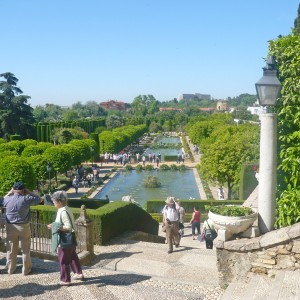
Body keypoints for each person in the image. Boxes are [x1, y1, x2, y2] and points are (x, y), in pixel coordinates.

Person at [3, 182, 41, 275]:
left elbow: (2, 199)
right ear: (23, 190)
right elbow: (39, 199)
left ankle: (11, 269)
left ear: (13, 190)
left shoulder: (7, 199)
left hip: (10, 226)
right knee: (25, 249)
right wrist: (29, 192)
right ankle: (26, 270)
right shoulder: (26, 199)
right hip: (23, 227)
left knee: (11, 249)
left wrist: (9, 192)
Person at [47, 191, 84, 286]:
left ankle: (65, 280)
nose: (53, 203)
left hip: (64, 240)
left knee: (63, 260)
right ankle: (78, 273)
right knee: (73, 256)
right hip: (71, 239)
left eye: (54, 201)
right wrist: (55, 225)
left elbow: (68, 227)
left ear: (59, 201)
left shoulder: (62, 211)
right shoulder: (66, 208)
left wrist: (54, 227)